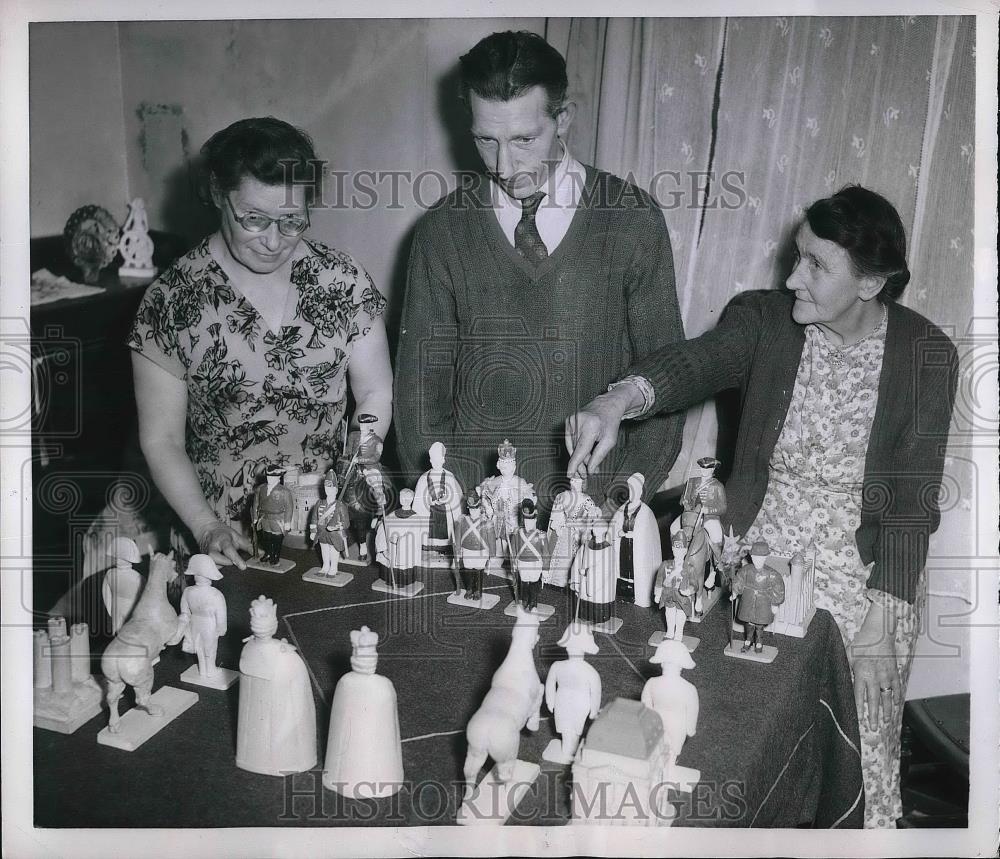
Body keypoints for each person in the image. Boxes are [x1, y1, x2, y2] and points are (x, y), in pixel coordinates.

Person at [565, 185, 958, 827]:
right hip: (756, 551)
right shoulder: (764, 320)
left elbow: (913, 502)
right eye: (796, 255)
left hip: (869, 579)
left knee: (860, 741)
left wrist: (884, 621)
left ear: (871, 283)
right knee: (736, 717)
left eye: (816, 265)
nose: (792, 276)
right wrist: (618, 400)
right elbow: (695, 363)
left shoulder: (925, 354)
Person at [395, 30, 684, 512]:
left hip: (591, 520)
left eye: (525, 139)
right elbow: (420, 398)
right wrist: (451, 510)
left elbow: (663, 384)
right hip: (472, 517)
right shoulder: (441, 232)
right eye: (486, 140)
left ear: (563, 118)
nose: (505, 166)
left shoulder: (633, 221)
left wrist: (614, 509)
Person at [129, 117, 392, 569]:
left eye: (291, 222)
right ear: (217, 193)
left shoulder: (342, 280)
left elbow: (374, 391)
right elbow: (162, 439)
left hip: (328, 522)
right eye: (253, 219)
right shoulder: (171, 301)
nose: (273, 241)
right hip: (223, 535)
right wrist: (204, 525)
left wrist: (358, 462)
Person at [730, 540, 785, 654]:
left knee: (760, 624)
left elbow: (779, 589)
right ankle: (748, 641)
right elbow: (738, 580)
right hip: (748, 600)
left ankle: (759, 642)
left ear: (765, 558)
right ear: (751, 556)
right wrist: (734, 591)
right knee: (748, 623)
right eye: (755, 557)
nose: (757, 560)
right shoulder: (746, 570)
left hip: (763, 602)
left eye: (760, 558)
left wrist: (775, 604)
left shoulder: (772, 574)